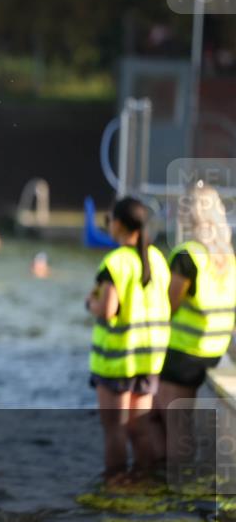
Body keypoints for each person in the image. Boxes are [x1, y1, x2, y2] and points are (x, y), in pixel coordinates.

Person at [85, 197, 170, 481]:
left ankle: (116, 487)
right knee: (141, 428)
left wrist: (90, 304)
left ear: (118, 224)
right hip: (149, 360)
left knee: (115, 430)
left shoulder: (116, 261)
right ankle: (145, 484)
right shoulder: (158, 259)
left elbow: (108, 310)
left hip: (117, 362)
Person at [154, 183, 235, 460]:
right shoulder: (228, 258)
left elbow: (168, 305)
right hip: (214, 350)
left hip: (183, 352)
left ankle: (175, 482)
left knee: (175, 423)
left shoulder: (188, 255)